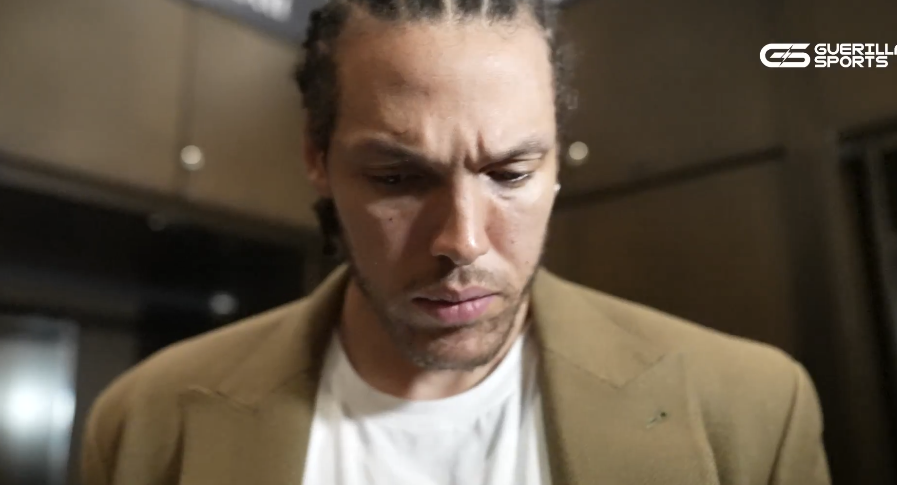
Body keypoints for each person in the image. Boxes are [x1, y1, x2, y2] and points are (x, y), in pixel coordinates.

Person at [81, 0, 830, 483]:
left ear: (557, 156)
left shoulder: (750, 410)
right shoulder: (147, 423)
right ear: (316, 155)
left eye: (510, 173)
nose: (462, 241)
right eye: (398, 178)